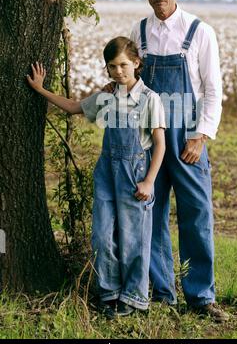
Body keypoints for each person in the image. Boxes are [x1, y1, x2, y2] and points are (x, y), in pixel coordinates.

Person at [26, 36, 166, 319]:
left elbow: (160, 143)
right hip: (106, 173)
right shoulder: (107, 96)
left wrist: (149, 181)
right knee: (102, 236)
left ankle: (134, 296)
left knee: (133, 238)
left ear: (136, 63)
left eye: (124, 65)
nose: (118, 72)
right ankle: (109, 293)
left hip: (135, 174)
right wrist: (41, 90)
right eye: (112, 66)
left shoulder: (150, 99)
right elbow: (74, 107)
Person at [130, 0, 229, 322]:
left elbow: (214, 91)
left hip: (187, 138)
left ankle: (201, 296)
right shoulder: (139, 31)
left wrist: (200, 136)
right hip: (149, 137)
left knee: (197, 215)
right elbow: (133, 82)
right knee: (150, 214)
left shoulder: (200, 32)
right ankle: (161, 292)